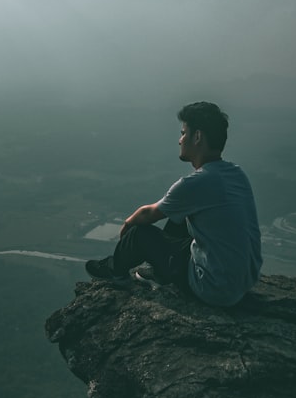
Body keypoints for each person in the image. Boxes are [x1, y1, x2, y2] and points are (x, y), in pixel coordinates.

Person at [85, 101, 262, 307]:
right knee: (180, 218)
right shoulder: (236, 174)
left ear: (197, 137)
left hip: (213, 288)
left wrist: (128, 225)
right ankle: (161, 271)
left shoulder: (196, 183)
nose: (180, 140)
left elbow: (146, 214)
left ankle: (115, 271)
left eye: (183, 133)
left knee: (140, 234)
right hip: (242, 282)